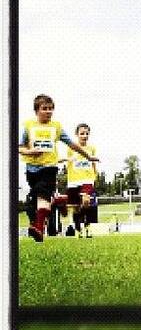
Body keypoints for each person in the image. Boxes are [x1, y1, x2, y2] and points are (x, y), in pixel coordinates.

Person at [18, 94, 99, 242]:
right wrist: (30, 152)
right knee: (34, 200)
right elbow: (19, 147)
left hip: (49, 168)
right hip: (32, 169)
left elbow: (72, 144)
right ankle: (43, 219)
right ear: (37, 110)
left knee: (43, 196)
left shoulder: (56, 127)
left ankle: (39, 228)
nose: (48, 112)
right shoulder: (29, 126)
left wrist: (88, 157)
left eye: (51, 109)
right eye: (45, 109)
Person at [62, 123, 98, 237]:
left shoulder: (92, 148)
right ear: (77, 134)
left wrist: (95, 175)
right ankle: (78, 228)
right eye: (82, 133)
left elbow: (93, 163)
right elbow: (67, 163)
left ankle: (87, 225)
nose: (85, 135)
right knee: (76, 208)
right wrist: (69, 160)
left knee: (86, 201)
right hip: (73, 180)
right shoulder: (71, 148)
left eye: (87, 133)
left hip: (87, 180)